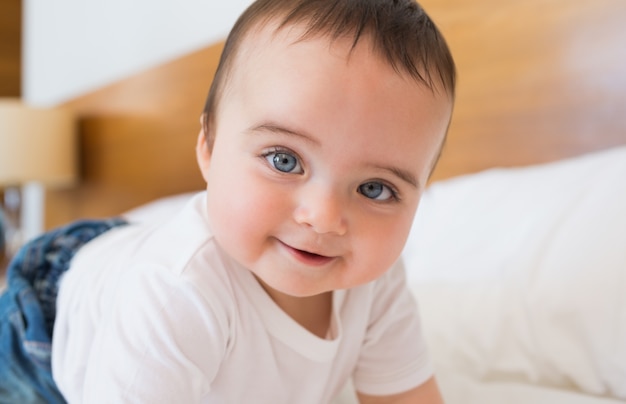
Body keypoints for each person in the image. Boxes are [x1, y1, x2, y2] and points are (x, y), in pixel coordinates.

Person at [0, 0, 455, 402]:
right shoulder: (174, 292)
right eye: (283, 160)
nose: (323, 217)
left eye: (375, 189)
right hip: (49, 318)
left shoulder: (377, 284)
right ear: (210, 146)